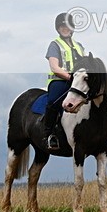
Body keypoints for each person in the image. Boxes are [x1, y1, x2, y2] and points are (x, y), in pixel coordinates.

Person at [43, 12, 85, 151]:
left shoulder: (79, 46)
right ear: (58, 29)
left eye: (67, 26)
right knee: (54, 101)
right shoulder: (54, 45)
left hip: (77, 81)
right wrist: (69, 77)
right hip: (60, 80)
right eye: (62, 26)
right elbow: (54, 67)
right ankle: (49, 135)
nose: (65, 28)